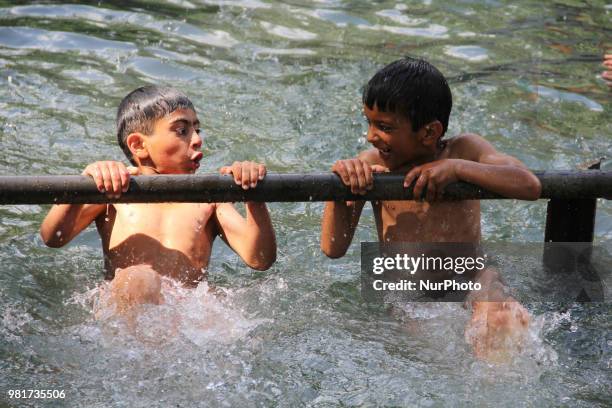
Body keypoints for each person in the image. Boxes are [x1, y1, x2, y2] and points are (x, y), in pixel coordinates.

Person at [320, 57, 541, 360]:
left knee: (498, 312)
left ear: (429, 132)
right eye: (369, 122)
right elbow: (333, 248)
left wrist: (457, 168)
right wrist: (340, 187)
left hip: (470, 275)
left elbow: (528, 185)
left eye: (384, 127)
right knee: (426, 348)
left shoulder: (464, 151)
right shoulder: (371, 165)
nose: (371, 135)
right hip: (410, 289)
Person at [40, 86, 276, 312]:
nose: (197, 139)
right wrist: (85, 182)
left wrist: (252, 195)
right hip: (129, 310)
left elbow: (259, 258)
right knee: (140, 278)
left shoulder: (209, 200)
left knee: (217, 298)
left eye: (197, 130)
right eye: (182, 131)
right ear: (139, 145)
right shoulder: (115, 191)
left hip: (188, 313)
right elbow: (53, 236)